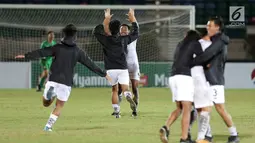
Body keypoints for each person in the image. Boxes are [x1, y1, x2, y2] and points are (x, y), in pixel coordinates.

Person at [15, 24, 111, 131]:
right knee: (59, 106)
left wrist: (26, 55)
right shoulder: (78, 51)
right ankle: (48, 126)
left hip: (53, 79)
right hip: (66, 82)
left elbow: (42, 52)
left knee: (46, 103)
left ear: (64, 34)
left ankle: (50, 95)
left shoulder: (57, 47)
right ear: (75, 36)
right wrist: (104, 74)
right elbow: (90, 64)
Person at [193, 16, 240, 143]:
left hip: (214, 80)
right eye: (207, 25)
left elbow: (207, 55)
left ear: (217, 27)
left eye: (210, 25)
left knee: (220, 108)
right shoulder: (216, 40)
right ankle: (207, 136)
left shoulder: (219, 41)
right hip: (207, 79)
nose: (207, 27)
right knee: (200, 108)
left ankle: (234, 135)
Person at [93, 8, 139, 118]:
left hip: (110, 69)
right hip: (123, 68)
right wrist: (133, 19)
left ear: (109, 28)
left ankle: (117, 111)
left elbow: (95, 31)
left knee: (114, 89)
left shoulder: (105, 39)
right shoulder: (124, 39)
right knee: (125, 88)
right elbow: (136, 33)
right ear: (119, 29)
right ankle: (127, 95)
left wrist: (106, 19)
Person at [159, 30, 203, 143]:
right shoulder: (196, 44)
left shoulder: (180, 44)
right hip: (185, 77)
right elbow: (202, 60)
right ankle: (184, 139)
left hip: (173, 77)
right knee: (187, 109)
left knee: (180, 108)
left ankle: (166, 127)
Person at [113, 24, 140, 117]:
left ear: (128, 31)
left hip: (134, 66)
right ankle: (117, 109)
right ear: (119, 32)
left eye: (125, 30)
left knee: (134, 88)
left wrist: (133, 20)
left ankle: (135, 110)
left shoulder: (132, 38)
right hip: (123, 67)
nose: (123, 31)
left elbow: (137, 29)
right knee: (120, 89)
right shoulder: (117, 40)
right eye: (121, 30)